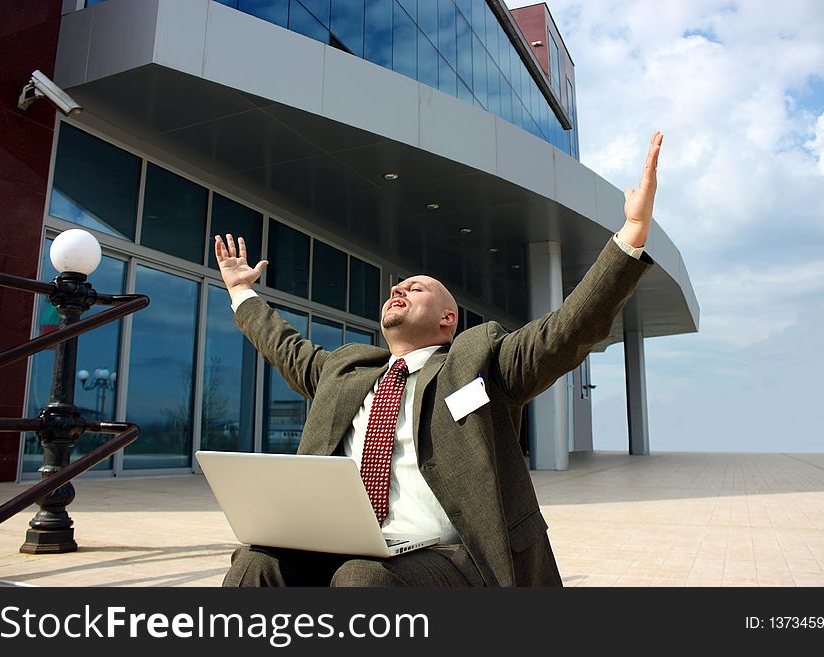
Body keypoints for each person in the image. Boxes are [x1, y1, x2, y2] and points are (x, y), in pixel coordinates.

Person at [214, 132, 664, 587]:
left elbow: (566, 330)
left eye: (414, 288)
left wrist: (630, 236)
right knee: (256, 563)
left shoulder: (480, 361)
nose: (397, 290)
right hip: (343, 545)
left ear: (448, 318)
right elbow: (284, 346)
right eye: (395, 288)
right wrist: (240, 292)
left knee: (363, 579)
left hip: (451, 557)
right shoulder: (346, 369)